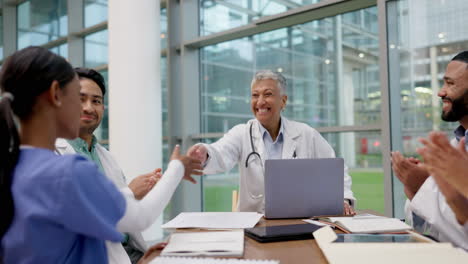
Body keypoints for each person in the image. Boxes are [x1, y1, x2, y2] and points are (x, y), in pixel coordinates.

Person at [0, 46, 202, 263]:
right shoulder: (67, 171)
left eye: (96, 101)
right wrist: (177, 167)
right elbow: (140, 217)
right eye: (76, 97)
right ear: (56, 94)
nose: (85, 108)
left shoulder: (12, 165)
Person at [187, 70, 355, 214]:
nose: (260, 102)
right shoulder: (241, 133)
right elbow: (221, 152)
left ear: (283, 100)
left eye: (267, 94)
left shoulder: (305, 134)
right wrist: (205, 153)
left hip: (299, 222)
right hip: (254, 225)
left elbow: (335, 169)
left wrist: (342, 198)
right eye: (255, 95)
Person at [54, 67, 161, 264]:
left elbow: (122, 216)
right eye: (81, 99)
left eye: (96, 101)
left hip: (130, 253)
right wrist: (130, 193)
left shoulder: (107, 157)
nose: (88, 107)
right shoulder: (51, 154)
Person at [391, 51, 468, 250]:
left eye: (451, 84)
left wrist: (422, 188)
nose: (441, 92)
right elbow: (430, 228)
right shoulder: (455, 145)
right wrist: (418, 186)